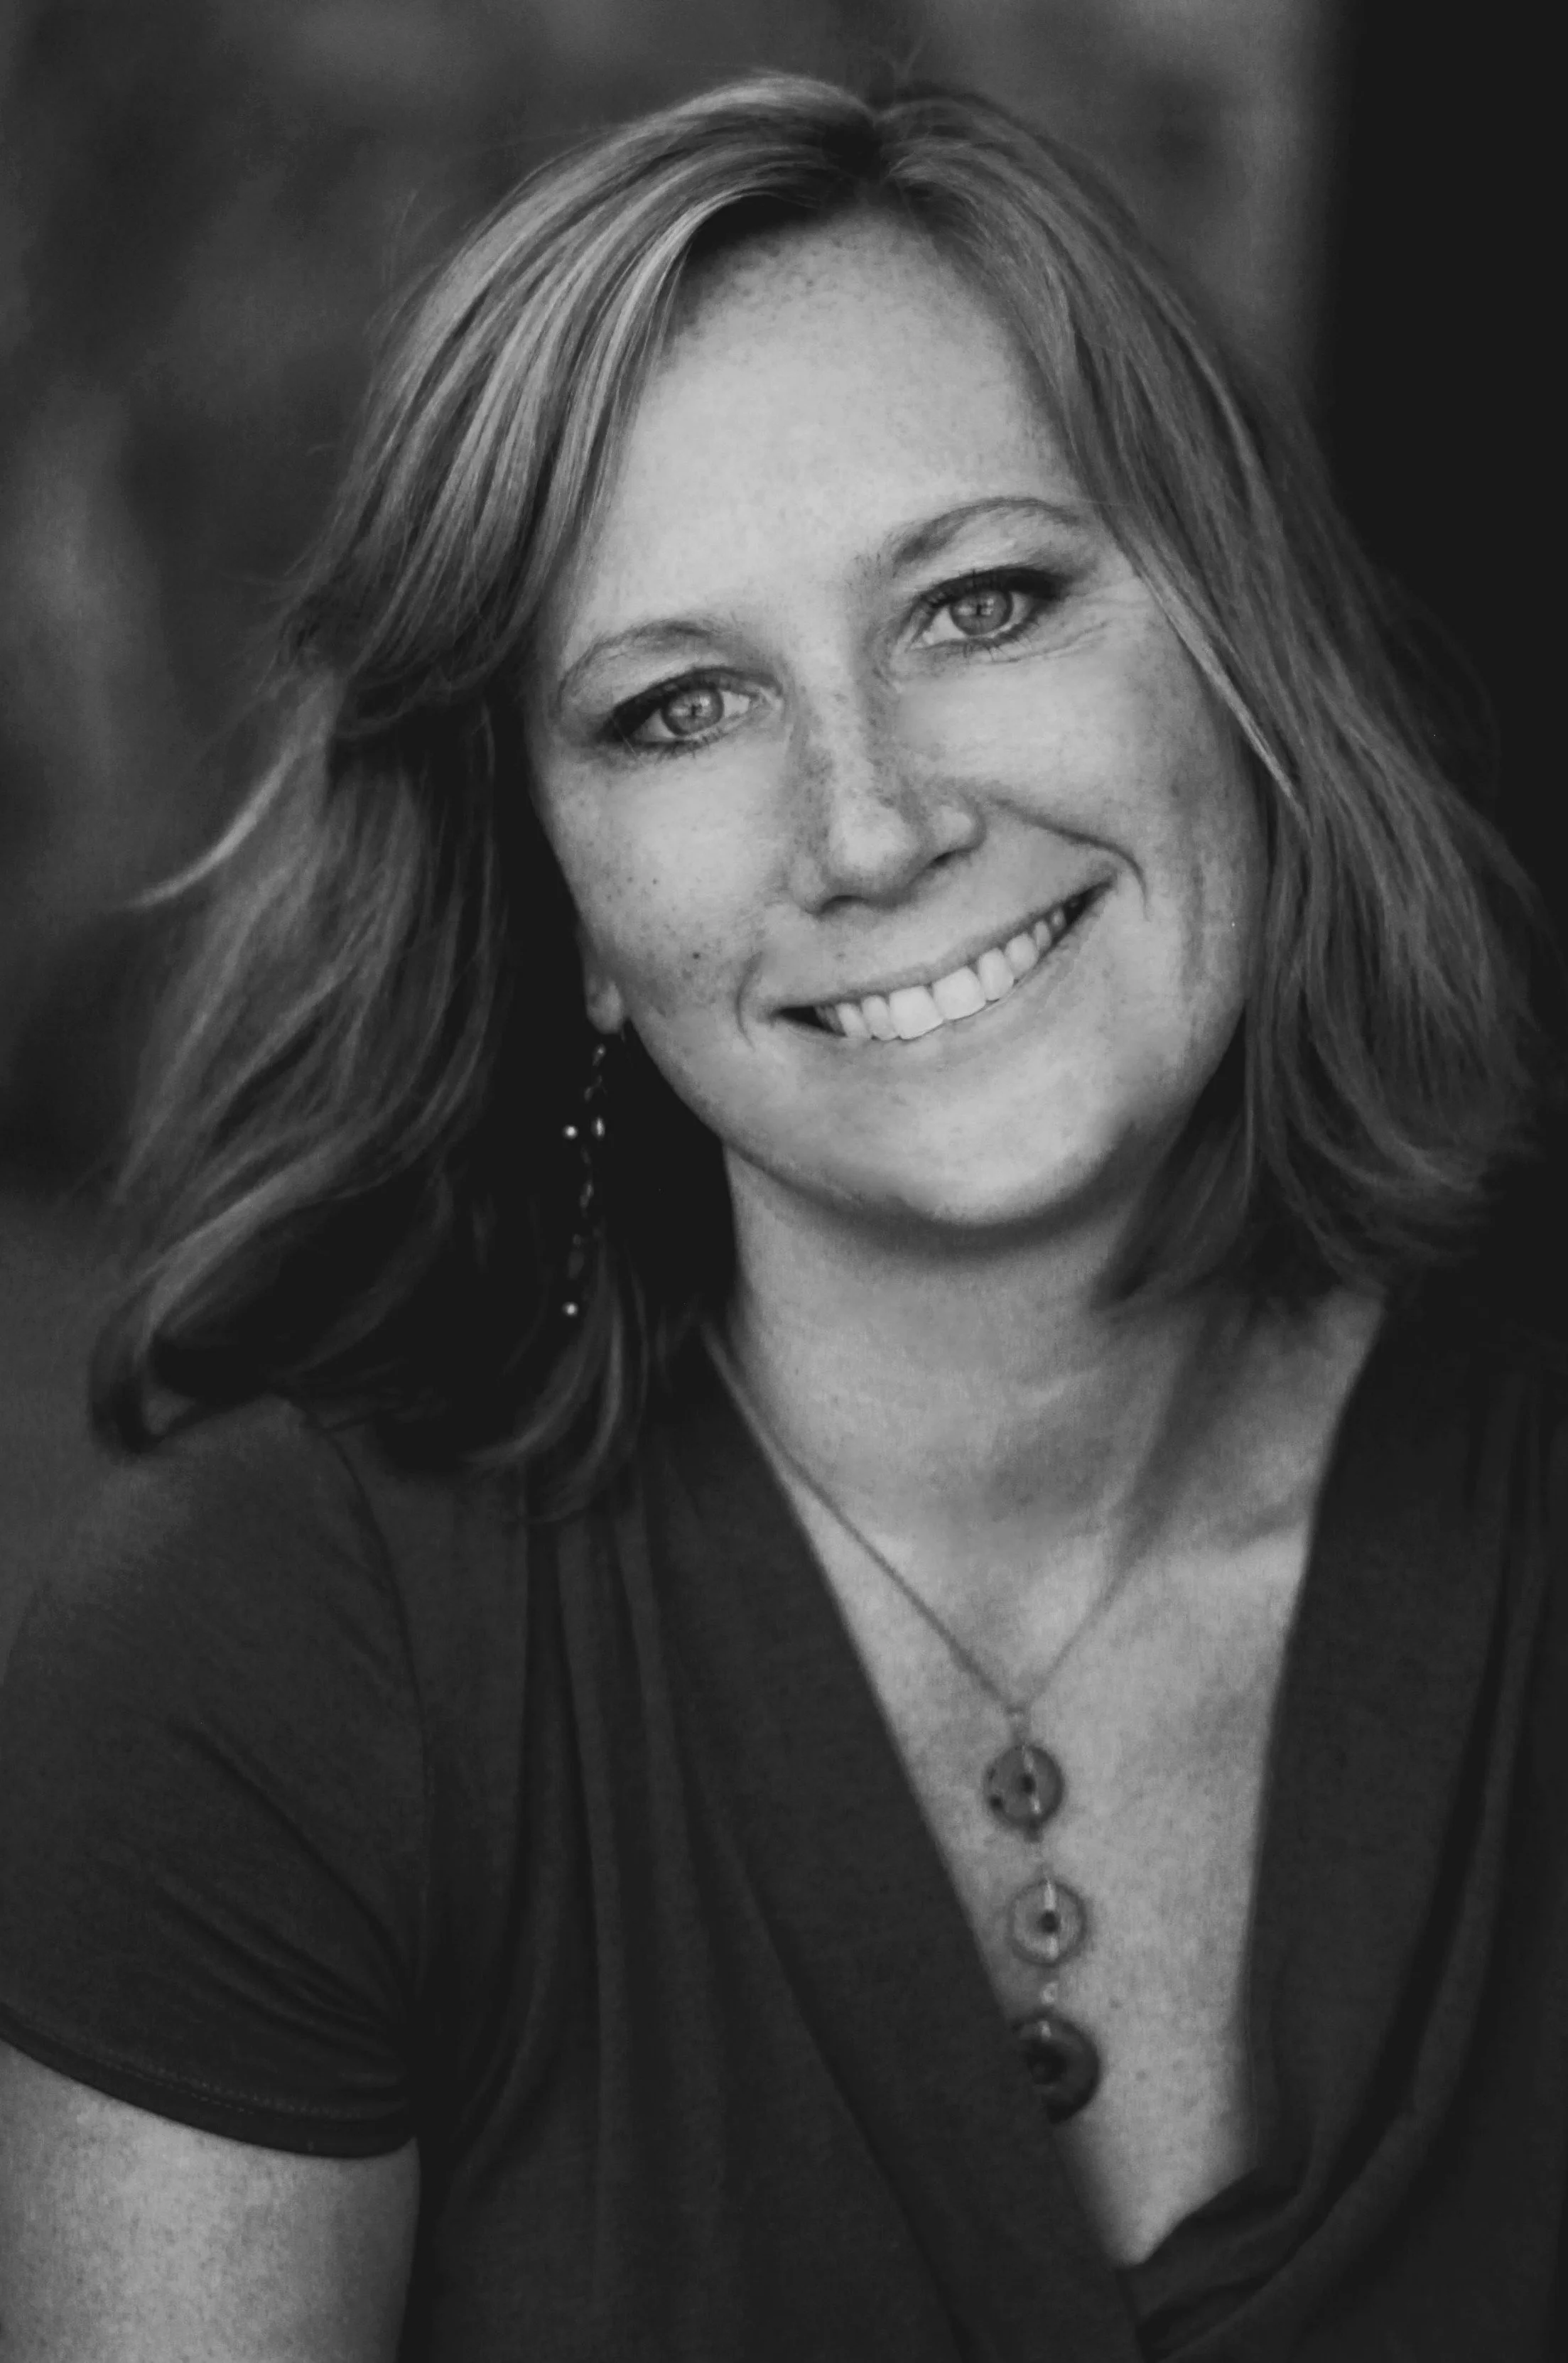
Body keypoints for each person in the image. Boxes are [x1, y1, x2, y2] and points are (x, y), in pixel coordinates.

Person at [0, 70, 1562, 2363]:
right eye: (679, 708)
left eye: (982, 602)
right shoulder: (263, 1661)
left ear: (1241, 660)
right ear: (553, 896)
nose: (871, 821)